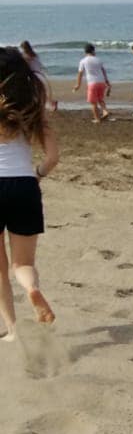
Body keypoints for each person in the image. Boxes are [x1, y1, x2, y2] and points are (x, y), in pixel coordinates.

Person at [0, 47, 59, 340]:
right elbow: (52, 157)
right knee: (23, 264)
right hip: (23, 184)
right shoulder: (33, 109)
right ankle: (32, 289)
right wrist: (37, 175)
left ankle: (12, 330)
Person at [73, 43, 111, 123]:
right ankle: (105, 111)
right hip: (101, 82)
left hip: (92, 83)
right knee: (100, 99)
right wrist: (107, 82)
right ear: (93, 51)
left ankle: (97, 119)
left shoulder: (83, 61)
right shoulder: (98, 59)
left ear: (85, 52)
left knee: (93, 102)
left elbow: (80, 74)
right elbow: (103, 71)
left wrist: (78, 85)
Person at [18, 42, 57, 112]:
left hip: (33, 75)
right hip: (40, 74)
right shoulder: (35, 54)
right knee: (42, 91)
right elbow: (39, 64)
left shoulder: (26, 56)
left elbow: (26, 66)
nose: (22, 50)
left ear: (24, 48)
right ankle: (51, 102)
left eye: (22, 49)